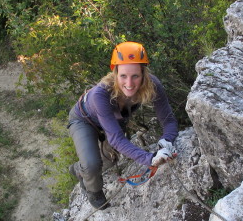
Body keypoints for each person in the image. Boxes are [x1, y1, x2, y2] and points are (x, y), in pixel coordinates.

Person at [68, 41, 179, 209]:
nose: (129, 83)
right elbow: (116, 139)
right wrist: (150, 159)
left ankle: (80, 169)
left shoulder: (152, 85)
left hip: (113, 120)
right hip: (84, 120)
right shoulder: (101, 94)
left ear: (143, 74)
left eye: (135, 76)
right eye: (123, 76)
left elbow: (168, 119)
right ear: (115, 73)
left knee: (110, 161)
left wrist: (166, 140)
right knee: (91, 165)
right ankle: (92, 190)